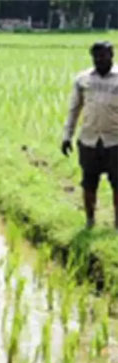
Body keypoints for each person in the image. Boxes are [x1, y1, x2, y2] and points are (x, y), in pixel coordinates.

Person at [62, 41, 118, 229]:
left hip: (115, 142)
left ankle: (117, 223)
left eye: (103, 55)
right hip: (89, 141)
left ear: (112, 55)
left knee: (117, 184)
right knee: (88, 183)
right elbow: (74, 109)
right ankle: (90, 220)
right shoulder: (82, 79)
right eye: (96, 56)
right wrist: (67, 136)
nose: (100, 60)